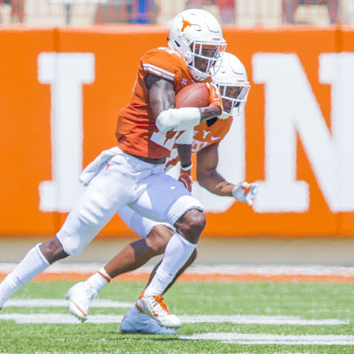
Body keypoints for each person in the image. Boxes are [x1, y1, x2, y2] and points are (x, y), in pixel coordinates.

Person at [0, 8, 226, 342]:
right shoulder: (161, 61)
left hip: (152, 175)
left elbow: (185, 127)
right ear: (182, 43)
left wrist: (187, 168)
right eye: (204, 51)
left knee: (193, 220)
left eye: (212, 52)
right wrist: (206, 110)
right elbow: (164, 119)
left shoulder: (194, 79)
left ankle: (151, 295)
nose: (208, 60)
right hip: (121, 172)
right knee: (65, 244)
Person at [65, 52, 256, 334]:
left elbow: (206, 174)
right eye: (228, 91)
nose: (232, 99)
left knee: (184, 251)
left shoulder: (221, 120)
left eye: (237, 92)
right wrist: (182, 166)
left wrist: (234, 190)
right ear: (210, 87)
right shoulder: (186, 102)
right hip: (134, 178)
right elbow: (170, 124)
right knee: (163, 238)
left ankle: (138, 315)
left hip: (159, 186)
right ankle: (90, 286)